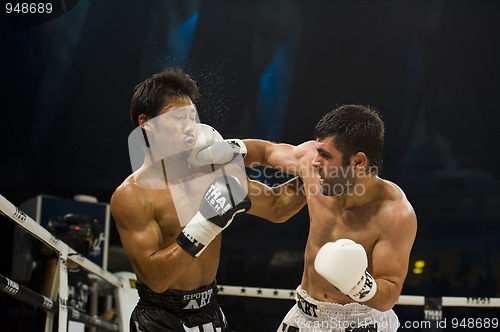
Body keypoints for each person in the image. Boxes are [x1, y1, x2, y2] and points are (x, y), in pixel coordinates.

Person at [110, 68, 306, 331]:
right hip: (160, 319)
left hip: (210, 313)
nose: (190, 126)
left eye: (192, 116)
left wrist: (318, 175)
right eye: (178, 117)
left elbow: (277, 206)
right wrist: (206, 223)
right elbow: (156, 279)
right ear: (146, 123)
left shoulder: (214, 171)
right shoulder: (132, 195)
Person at [240, 105, 418, 331]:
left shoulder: (394, 214)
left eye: (325, 155)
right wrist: (224, 149)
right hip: (304, 313)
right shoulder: (313, 164)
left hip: (360, 321)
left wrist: (359, 285)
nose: (315, 161)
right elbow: (266, 153)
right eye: (318, 150)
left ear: (358, 162)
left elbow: (389, 294)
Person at [29, 213, 116, 331]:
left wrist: (101, 319)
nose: (88, 239)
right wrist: (53, 261)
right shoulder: (49, 266)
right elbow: (46, 306)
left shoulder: (83, 273)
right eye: (84, 232)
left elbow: (77, 316)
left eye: (90, 235)